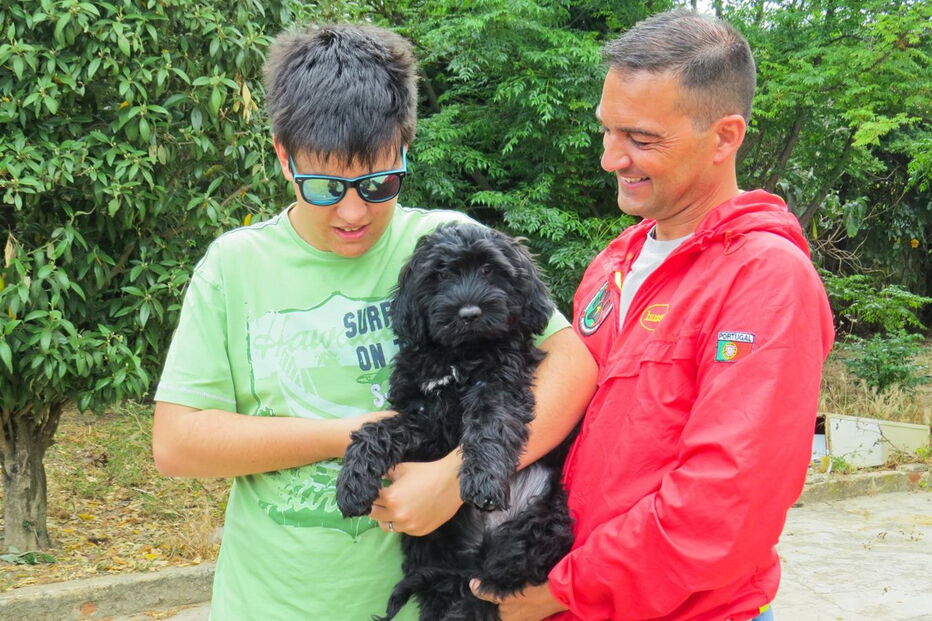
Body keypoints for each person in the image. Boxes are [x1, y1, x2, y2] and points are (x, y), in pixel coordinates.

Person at [151, 23, 596, 620]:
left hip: (429, 602)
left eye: (378, 182)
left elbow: (572, 363)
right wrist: (352, 432)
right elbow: (178, 443)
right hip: (275, 602)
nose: (354, 211)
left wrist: (453, 476)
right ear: (284, 157)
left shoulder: (447, 244)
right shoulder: (234, 266)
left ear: (405, 148)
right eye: (326, 185)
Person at [471, 9, 834, 621]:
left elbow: (724, 504)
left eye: (641, 140)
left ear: (724, 137)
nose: (613, 158)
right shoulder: (615, 261)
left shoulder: (765, 278)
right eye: (607, 131)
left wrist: (565, 587)